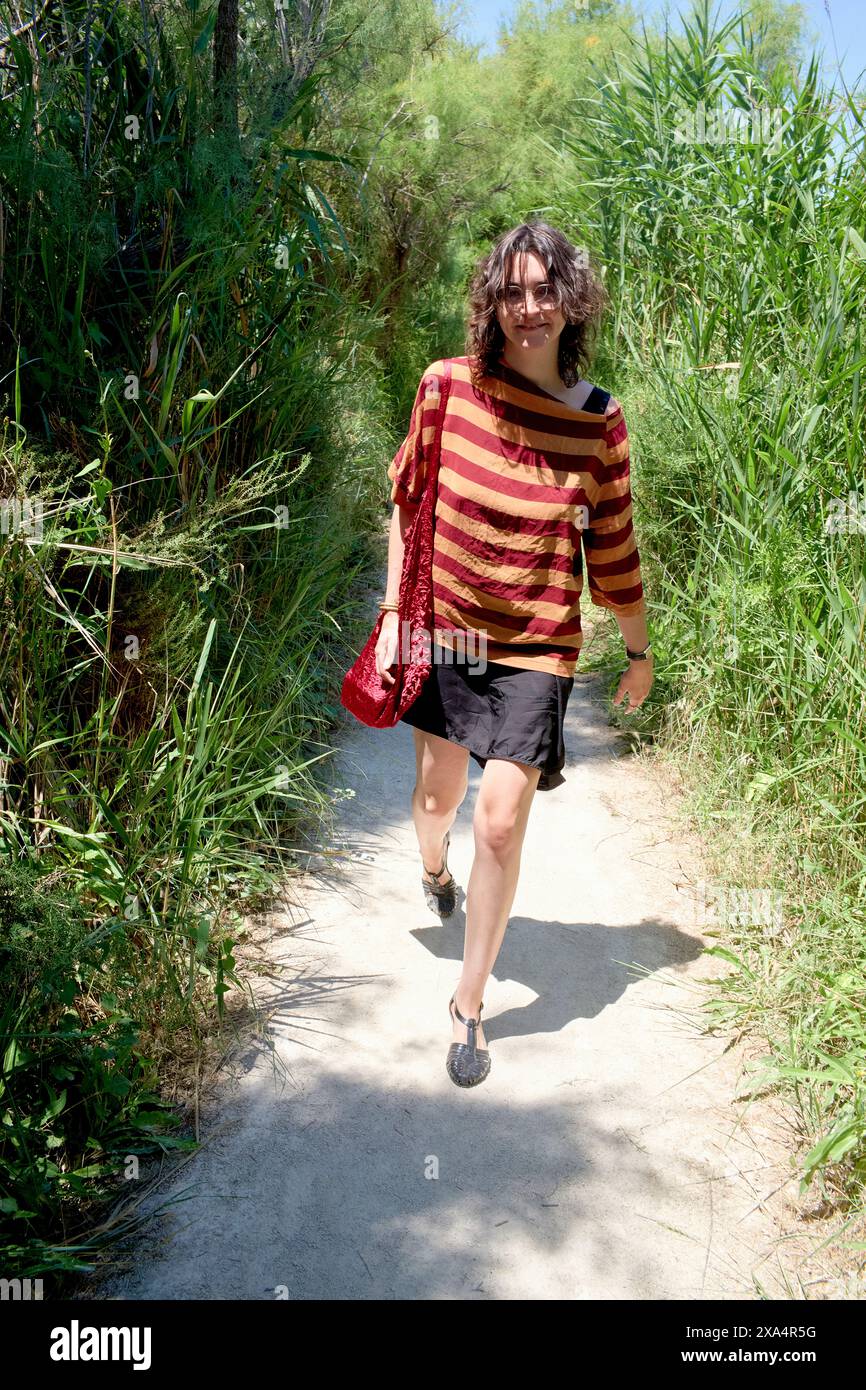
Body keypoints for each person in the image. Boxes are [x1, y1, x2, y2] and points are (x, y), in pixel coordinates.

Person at [374, 220, 653, 1088]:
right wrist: (391, 616)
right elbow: (406, 500)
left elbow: (613, 551)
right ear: (491, 303)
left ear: (573, 303)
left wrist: (637, 652)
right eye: (513, 291)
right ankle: (432, 867)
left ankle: (469, 1004)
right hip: (448, 628)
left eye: (545, 291)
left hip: (538, 644)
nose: (529, 309)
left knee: (497, 817)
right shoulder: (447, 389)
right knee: (437, 795)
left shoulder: (599, 425)